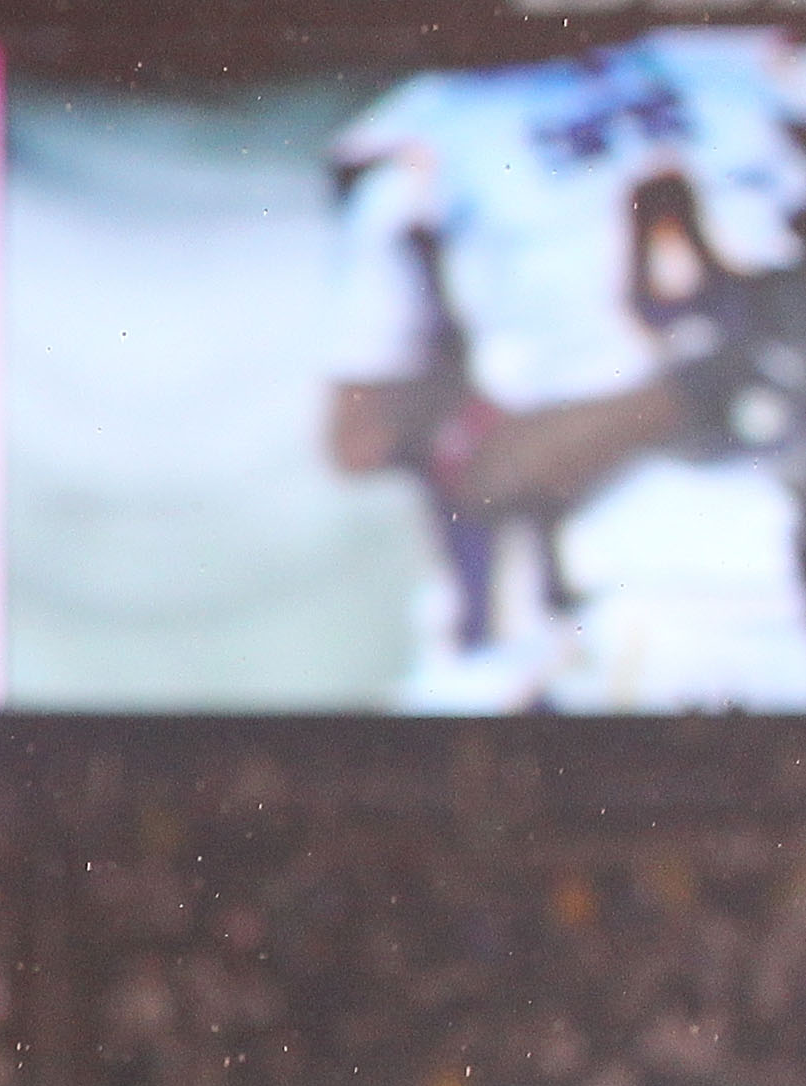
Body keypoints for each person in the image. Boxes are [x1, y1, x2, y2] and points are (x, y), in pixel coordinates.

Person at [326, 30, 806, 708]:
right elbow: (397, 445)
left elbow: (363, 438)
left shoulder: (427, 125)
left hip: (588, 624)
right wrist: (705, 382)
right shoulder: (757, 63)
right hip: (629, 594)